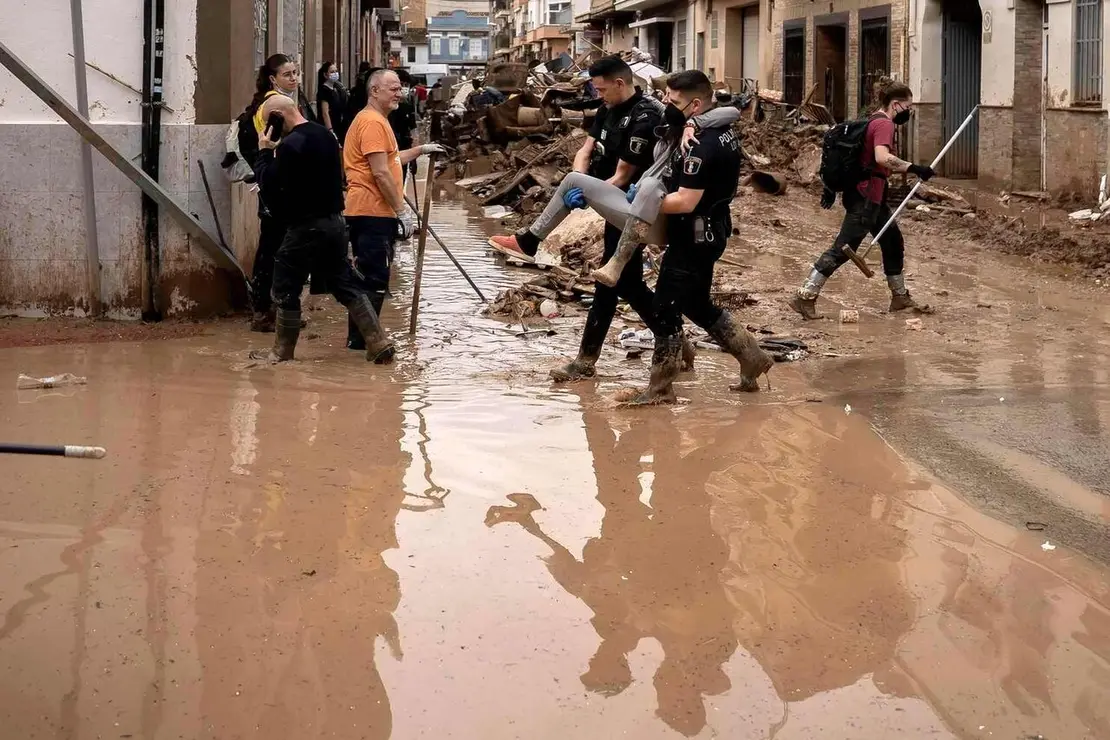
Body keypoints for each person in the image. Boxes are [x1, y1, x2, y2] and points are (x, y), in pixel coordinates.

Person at [487, 59, 740, 383]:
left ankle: (590, 361)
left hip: (640, 210)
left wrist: (590, 196)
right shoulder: (613, 110)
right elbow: (586, 149)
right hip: (625, 205)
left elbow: (623, 176)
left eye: (602, 88)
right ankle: (676, 347)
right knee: (629, 285)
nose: (597, 93)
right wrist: (583, 179)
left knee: (622, 286)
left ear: (620, 83)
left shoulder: (647, 116)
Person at [593, 71, 771, 404]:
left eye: (674, 101)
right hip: (711, 228)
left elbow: (685, 201)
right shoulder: (718, 130)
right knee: (695, 301)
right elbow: (728, 110)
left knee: (665, 307)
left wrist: (641, 202)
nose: (666, 105)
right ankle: (753, 357)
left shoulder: (700, 146)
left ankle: (660, 389)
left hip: (696, 234)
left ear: (696, 104)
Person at [249, 95, 394, 364]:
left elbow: (269, 183)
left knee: (284, 284)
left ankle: (281, 352)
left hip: (306, 226)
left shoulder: (293, 144)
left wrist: (265, 151)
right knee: (343, 282)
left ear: (277, 117)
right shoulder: (325, 136)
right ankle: (378, 341)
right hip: (335, 224)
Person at [788, 82, 935, 319]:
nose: (909, 111)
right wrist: (915, 168)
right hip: (866, 198)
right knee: (843, 249)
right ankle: (805, 296)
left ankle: (899, 297)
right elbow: (882, 157)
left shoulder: (872, 119)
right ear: (896, 104)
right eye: (907, 106)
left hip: (870, 196)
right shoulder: (884, 124)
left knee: (893, 241)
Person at [343, 68, 445, 350]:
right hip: (370, 210)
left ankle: (361, 340)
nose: (399, 93)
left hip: (372, 210)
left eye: (400, 88)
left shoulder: (376, 120)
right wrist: (402, 210)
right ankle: (364, 343)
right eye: (393, 88)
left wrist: (421, 150)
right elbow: (381, 173)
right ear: (374, 91)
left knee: (372, 276)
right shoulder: (373, 123)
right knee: (374, 279)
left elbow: (390, 160)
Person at [236, 54, 318, 333]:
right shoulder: (276, 106)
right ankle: (266, 311)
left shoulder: (269, 103)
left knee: (273, 247)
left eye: (296, 73)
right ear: (273, 79)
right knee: (276, 249)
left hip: (275, 185)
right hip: (278, 188)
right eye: (287, 74)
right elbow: (271, 145)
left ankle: (268, 309)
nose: (294, 78)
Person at [388, 69, 419, 182]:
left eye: (407, 85)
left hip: (404, 149)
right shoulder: (386, 107)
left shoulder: (407, 106)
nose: (404, 88)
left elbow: (413, 131)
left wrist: (414, 157)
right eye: (402, 84)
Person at [316, 60, 350, 143]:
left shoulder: (336, 88)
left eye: (336, 71)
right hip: (328, 128)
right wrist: (330, 130)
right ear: (325, 75)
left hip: (338, 126)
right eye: (332, 72)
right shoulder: (324, 91)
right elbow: (325, 113)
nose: (335, 74)